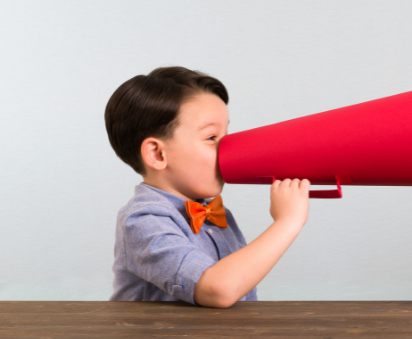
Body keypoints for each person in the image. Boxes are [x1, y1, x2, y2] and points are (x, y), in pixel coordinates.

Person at [106, 66, 310, 308]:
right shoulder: (143, 220)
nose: (228, 148)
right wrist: (287, 222)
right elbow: (217, 290)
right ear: (157, 154)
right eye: (212, 138)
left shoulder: (213, 213)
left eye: (227, 136)